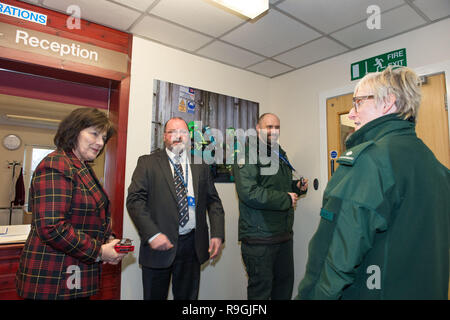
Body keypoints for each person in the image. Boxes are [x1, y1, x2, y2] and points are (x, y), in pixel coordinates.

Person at [296, 66, 450, 300]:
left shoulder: (370, 161)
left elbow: (336, 258)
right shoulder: (436, 167)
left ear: (388, 102)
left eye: (358, 102)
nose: (352, 113)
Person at [16, 108, 126, 300]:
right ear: (74, 130)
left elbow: (88, 217)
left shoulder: (80, 166)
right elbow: (52, 227)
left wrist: (108, 240)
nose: (100, 142)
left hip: (73, 274)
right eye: (94, 133)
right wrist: (99, 251)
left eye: (104, 137)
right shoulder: (56, 165)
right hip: (54, 279)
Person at [127, 117, 225, 300]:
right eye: (172, 132)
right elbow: (134, 200)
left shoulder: (200, 165)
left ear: (188, 137)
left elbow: (214, 202)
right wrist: (152, 234)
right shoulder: (147, 163)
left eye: (182, 132)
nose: (177, 136)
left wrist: (217, 233)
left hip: (192, 245)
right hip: (159, 245)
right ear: (164, 136)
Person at [233, 113, 308, 300]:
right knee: (260, 293)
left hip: (282, 236)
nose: (273, 131)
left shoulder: (278, 153)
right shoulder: (247, 153)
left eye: (277, 127)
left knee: (283, 290)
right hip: (260, 238)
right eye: (269, 127)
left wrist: (295, 188)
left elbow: (276, 187)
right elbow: (249, 192)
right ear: (258, 128)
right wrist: (285, 198)